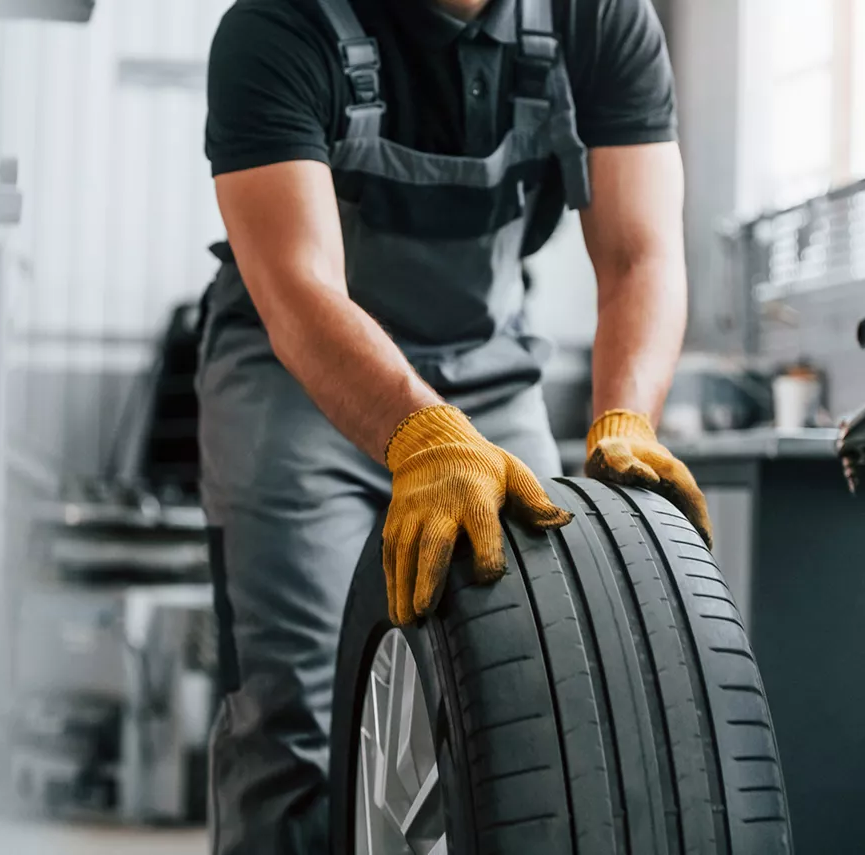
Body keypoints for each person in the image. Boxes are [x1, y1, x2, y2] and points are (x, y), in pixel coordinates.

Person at [197, 0, 712, 851]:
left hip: (491, 372)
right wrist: (421, 432)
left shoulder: (601, 20)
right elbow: (297, 285)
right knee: (293, 724)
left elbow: (640, 254)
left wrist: (627, 415)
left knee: (547, 690)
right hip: (294, 375)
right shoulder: (279, 25)